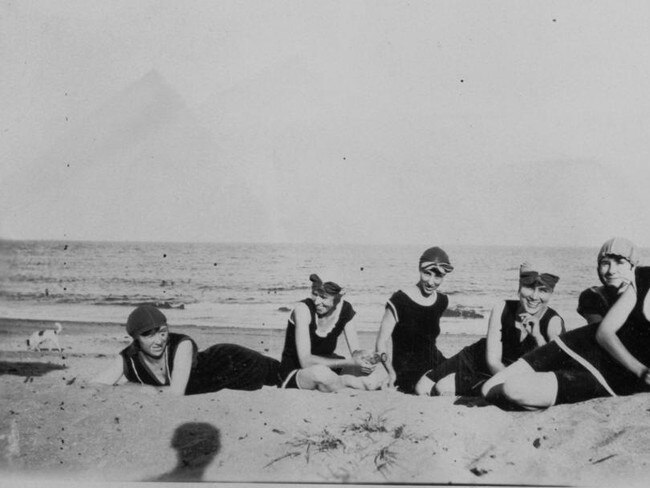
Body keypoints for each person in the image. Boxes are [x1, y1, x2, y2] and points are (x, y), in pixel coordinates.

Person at [482, 258, 650, 409]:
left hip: (607, 376)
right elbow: (604, 333)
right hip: (574, 344)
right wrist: (641, 370)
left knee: (513, 389)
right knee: (488, 389)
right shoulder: (643, 276)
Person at [414, 263, 565, 397]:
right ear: (519, 286)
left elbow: (554, 370)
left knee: (442, 387)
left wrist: (538, 336)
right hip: (477, 358)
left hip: (504, 375)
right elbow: (493, 361)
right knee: (421, 388)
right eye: (529, 287)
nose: (534, 296)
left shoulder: (553, 322)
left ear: (551, 294)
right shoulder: (502, 308)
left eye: (543, 290)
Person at [92, 305, 281, 395]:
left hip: (237, 362)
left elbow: (175, 394)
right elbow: (92, 387)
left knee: (286, 376)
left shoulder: (181, 345)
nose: (159, 340)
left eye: (163, 332)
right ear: (135, 339)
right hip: (229, 382)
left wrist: (143, 388)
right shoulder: (128, 358)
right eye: (148, 335)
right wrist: (136, 385)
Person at [278, 274, 378, 391]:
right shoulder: (303, 310)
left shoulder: (346, 310)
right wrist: (350, 363)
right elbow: (305, 361)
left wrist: (364, 358)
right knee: (321, 374)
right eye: (315, 295)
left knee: (372, 381)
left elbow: (355, 353)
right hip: (297, 370)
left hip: (329, 366)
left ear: (338, 297)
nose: (317, 302)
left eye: (324, 297)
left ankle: (339, 382)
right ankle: (345, 382)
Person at [374, 246, 453, 393]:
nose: (431, 282)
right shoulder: (399, 300)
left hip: (436, 363)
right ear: (419, 269)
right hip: (408, 372)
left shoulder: (442, 300)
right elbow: (380, 344)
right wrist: (391, 374)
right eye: (427, 273)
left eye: (438, 277)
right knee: (439, 387)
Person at [577, 237, 638, 325]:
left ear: (633, 267)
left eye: (620, 263)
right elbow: (602, 334)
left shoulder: (645, 296)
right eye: (605, 263)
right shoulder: (592, 296)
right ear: (598, 268)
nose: (611, 271)